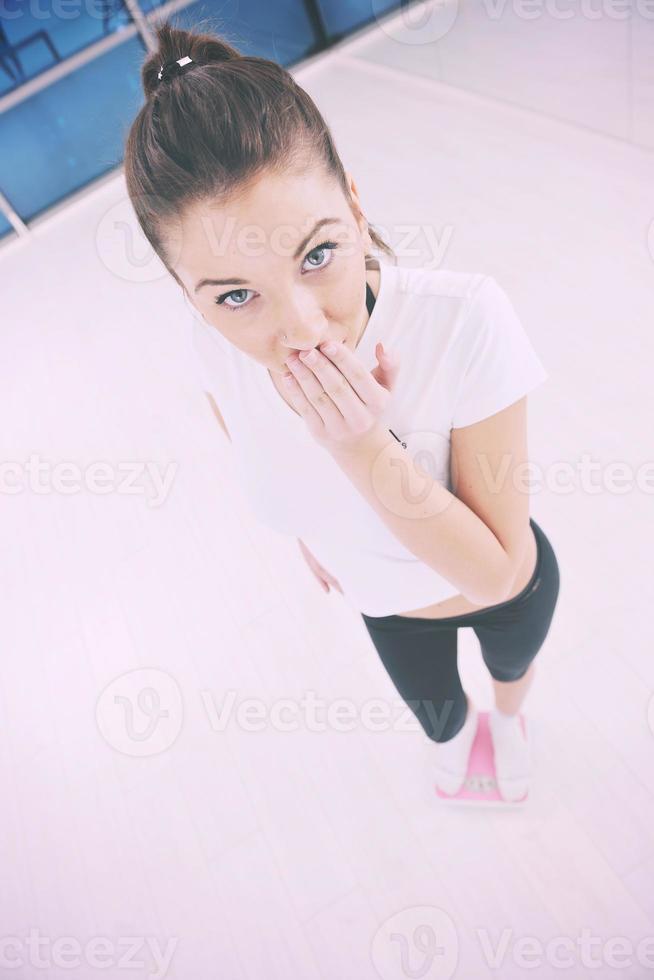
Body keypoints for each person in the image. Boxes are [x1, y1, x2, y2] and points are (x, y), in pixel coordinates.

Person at [123, 18, 560, 803]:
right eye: (234, 295)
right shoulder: (217, 346)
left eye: (317, 254)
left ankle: (512, 726)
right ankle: (467, 742)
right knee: (439, 722)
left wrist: (361, 448)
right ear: (191, 298)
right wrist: (309, 532)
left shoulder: (465, 318)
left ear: (356, 210)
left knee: (509, 679)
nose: (302, 329)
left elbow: (500, 573)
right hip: (384, 607)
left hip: (503, 592)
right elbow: (244, 433)